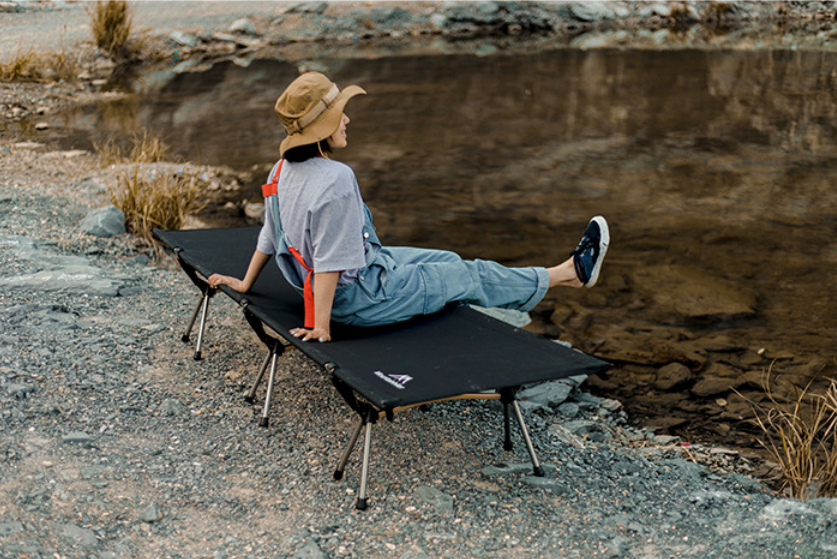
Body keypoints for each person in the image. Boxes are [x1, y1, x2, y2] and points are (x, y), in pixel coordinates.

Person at [208, 72, 609, 343]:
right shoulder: (336, 180)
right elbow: (330, 263)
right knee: (470, 273)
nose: (346, 119)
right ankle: (568, 274)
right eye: (338, 115)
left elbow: (271, 233)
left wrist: (245, 283)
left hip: (360, 269)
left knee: (447, 260)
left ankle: (459, 301)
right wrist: (322, 327)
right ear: (322, 130)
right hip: (360, 297)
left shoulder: (280, 170)